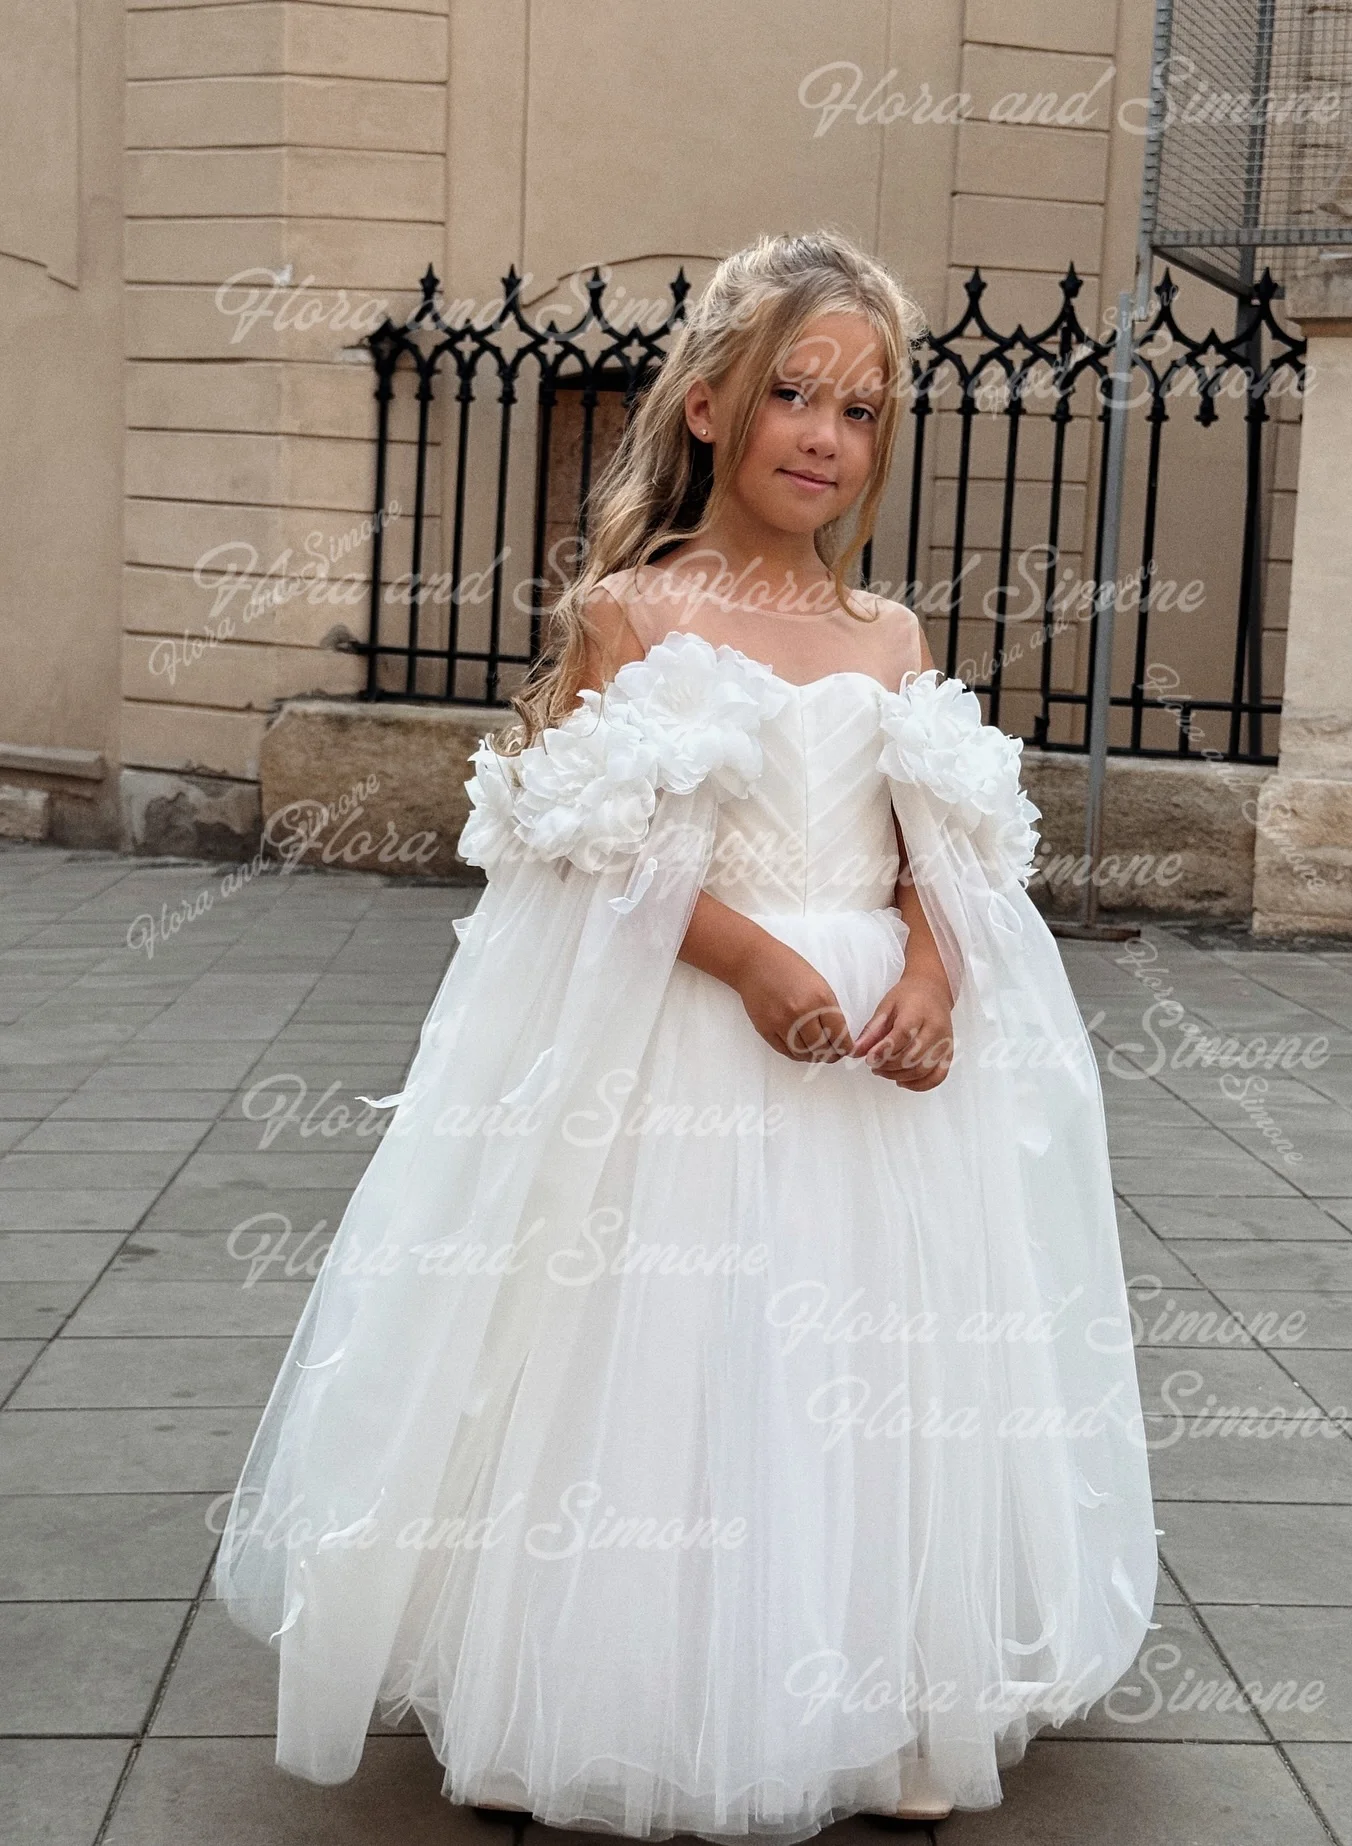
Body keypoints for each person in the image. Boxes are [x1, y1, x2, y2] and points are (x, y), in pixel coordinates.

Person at [216, 228, 1157, 1844]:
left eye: (861, 411)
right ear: (712, 403)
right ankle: (614, 1681)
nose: (824, 435)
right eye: (793, 391)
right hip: (691, 1039)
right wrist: (743, 960)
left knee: (872, 1360)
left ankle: (882, 1694)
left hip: (874, 1055)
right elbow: (609, 858)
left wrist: (929, 978)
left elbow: (944, 855)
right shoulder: (633, 614)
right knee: (676, 1361)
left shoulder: (892, 637)